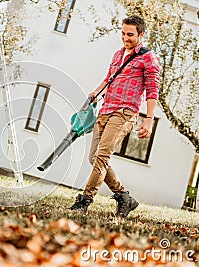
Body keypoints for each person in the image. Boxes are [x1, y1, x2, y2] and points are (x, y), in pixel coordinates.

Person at [69, 15, 160, 218]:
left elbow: (153, 91)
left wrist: (149, 120)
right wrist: (95, 92)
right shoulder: (118, 54)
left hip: (125, 113)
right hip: (105, 110)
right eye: (123, 33)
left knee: (102, 157)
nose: (125, 38)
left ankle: (85, 201)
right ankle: (124, 197)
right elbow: (109, 78)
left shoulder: (148, 58)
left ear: (141, 34)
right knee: (94, 157)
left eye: (130, 34)